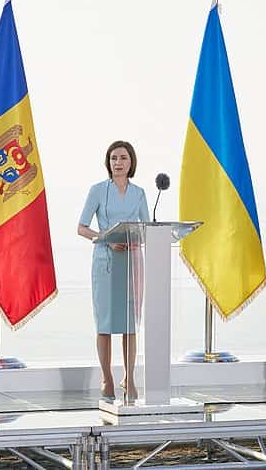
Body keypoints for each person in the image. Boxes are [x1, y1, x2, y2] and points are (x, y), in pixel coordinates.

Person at [77, 140, 149, 402]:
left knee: (129, 324)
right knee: (105, 324)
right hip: (105, 262)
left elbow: (147, 228)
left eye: (123, 158)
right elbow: (82, 227)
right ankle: (107, 378)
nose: (118, 163)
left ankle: (129, 378)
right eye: (114, 158)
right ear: (108, 163)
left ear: (131, 163)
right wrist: (106, 237)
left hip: (131, 262)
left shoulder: (139, 193)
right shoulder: (97, 191)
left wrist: (137, 239)